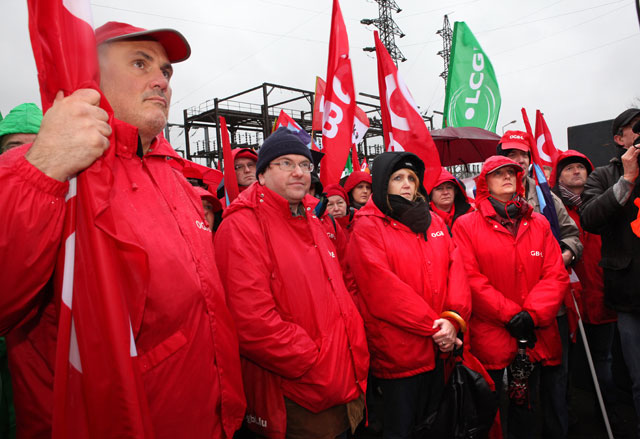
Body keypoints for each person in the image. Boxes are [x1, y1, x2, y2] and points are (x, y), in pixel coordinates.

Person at [0, 21, 245, 438]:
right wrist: (43, 169)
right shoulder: (42, 166)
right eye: (140, 63)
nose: (161, 81)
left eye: (166, 71)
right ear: (92, 79)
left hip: (207, 417)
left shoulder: (176, 182)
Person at [214, 127, 369, 439]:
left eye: (304, 164)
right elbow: (252, 322)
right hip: (299, 394)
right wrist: (313, 361)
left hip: (345, 381)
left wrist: (351, 342)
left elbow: (342, 285)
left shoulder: (315, 217)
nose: (298, 172)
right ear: (261, 175)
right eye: (285, 163)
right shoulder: (242, 225)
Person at [347, 151, 471, 439]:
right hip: (400, 355)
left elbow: (457, 270)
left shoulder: (434, 222)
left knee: (436, 426)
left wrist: (453, 319)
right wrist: (437, 328)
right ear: (382, 183)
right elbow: (381, 289)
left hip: (439, 349)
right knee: (401, 429)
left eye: (412, 178)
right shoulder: (367, 225)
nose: (406, 184)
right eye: (398, 178)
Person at [452, 155, 569, 439]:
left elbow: (555, 274)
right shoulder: (466, 225)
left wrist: (531, 315)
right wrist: (510, 314)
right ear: (485, 182)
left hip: (533, 333)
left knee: (526, 409)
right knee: (489, 410)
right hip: (490, 333)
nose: (507, 177)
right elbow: (470, 278)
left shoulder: (539, 223)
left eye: (511, 173)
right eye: (498, 173)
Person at [497, 130, 582, 439]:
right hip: (514, 313)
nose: (518, 161)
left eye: (523, 155)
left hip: (553, 308)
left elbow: (572, 235)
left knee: (557, 380)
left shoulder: (546, 195)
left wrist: (563, 257)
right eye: (511, 155)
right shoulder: (488, 202)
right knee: (523, 387)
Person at [580, 108, 640, 437]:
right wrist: (627, 179)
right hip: (631, 296)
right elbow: (589, 217)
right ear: (620, 139)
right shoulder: (603, 175)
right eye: (637, 128)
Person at [551, 150, 619, 428]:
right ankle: (569, 418)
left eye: (581, 167)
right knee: (565, 365)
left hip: (603, 296)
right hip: (568, 300)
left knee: (604, 360)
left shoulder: (604, 203)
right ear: (558, 177)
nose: (576, 171)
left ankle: (608, 417)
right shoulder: (553, 210)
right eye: (569, 168)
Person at [429, 167, 473, 232]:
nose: (445, 192)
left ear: (455, 191)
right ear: (430, 193)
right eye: (439, 188)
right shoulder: (423, 219)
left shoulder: (470, 214)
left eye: (449, 187)